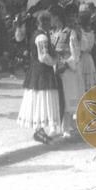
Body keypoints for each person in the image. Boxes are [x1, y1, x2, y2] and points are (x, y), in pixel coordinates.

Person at [17, 11, 62, 144]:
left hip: (38, 70)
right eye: (46, 21)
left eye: (48, 21)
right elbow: (44, 57)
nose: (48, 24)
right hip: (42, 71)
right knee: (41, 99)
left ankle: (40, 130)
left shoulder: (40, 34)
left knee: (39, 99)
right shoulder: (41, 37)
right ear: (41, 23)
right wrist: (55, 59)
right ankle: (39, 130)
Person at [49, 6, 82, 136]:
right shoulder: (50, 33)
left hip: (67, 69)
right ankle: (54, 126)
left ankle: (66, 127)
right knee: (55, 97)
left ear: (57, 17)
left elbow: (76, 53)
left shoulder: (70, 32)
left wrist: (67, 64)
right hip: (54, 67)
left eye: (51, 17)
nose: (50, 20)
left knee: (68, 96)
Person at [77, 9, 96, 91]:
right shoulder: (91, 32)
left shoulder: (80, 32)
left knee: (83, 80)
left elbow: (82, 48)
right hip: (88, 58)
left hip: (82, 58)